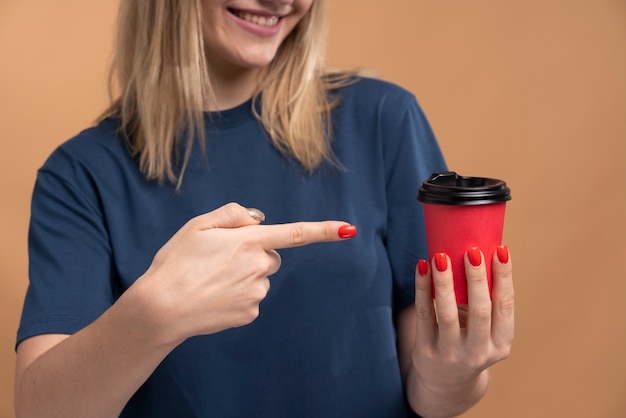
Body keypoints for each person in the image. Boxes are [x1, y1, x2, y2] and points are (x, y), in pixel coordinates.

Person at [14, 1, 515, 417]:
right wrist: (154, 316)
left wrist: (457, 373)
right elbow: (40, 408)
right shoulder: (80, 174)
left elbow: (431, 392)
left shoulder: (383, 121)